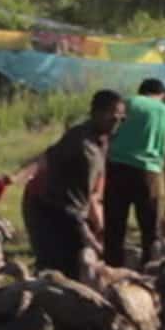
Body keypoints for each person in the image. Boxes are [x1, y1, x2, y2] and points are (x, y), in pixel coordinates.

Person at [20, 90, 126, 277]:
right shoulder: (83, 147)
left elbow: (92, 194)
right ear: (96, 113)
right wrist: (90, 237)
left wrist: (99, 226)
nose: (117, 123)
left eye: (121, 119)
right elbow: (73, 207)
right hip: (45, 205)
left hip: (66, 204)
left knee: (78, 258)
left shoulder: (101, 139)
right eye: (113, 117)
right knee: (57, 265)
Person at [102, 78, 165, 268]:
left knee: (114, 230)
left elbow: (106, 135)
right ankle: (149, 275)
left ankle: (111, 273)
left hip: (116, 169)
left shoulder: (127, 103)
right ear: (162, 95)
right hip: (149, 175)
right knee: (150, 233)